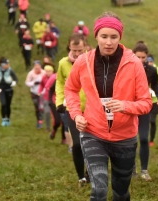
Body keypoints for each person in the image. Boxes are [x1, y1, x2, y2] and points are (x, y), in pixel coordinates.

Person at [64, 11, 152, 200]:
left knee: (121, 193)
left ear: (120, 37)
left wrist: (125, 106)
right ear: (96, 36)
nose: (108, 42)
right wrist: (76, 114)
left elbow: (146, 103)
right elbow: (70, 89)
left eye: (114, 37)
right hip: (93, 133)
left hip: (125, 137)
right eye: (104, 36)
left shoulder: (134, 63)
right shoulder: (83, 62)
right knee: (99, 189)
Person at [55, 33, 88, 187]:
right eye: (74, 50)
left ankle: (91, 171)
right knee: (77, 144)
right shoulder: (63, 63)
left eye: (80, 50)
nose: (76, 53)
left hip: (91, 109)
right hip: (72, 109)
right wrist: (60, 101)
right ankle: (81, 176)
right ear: (69, 47)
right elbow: (60, 82)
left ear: (85, 47)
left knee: (91, 143)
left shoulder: (92, 60)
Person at [132, 41, 158, 181]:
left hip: (144, 107)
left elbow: (156, 85)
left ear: (147, 57)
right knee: (130, 140)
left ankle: (144, 170)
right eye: (137, 57)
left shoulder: (152, 70)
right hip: (129, 108)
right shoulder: (127, 68)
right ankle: (131, 168)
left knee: (144, 139)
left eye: (143, 58)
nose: (140, 60)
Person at [0, 57, 18, 126]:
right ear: (3, 65)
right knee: (3, 104)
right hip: (0, 89)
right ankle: (3, 119)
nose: (8, 65)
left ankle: (8, 119)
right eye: (7, 64)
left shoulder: (10, 70)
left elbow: (15, 78)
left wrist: (14, 82)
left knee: (8, 105)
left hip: (9, 89)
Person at [146, 54, 158, 147]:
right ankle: (143, 139)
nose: (149, 63)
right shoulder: (143, 69)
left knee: (152, 121)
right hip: (145, 100)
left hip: (154, 100)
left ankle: (151, 140)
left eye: (151, 61)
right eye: (148, 61)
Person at [25, 60, 45, 128]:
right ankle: (39, 121)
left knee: (41, 107)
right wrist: (33, 83)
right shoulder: (31, 73)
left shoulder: (44, 73)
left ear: (40, 66)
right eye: (35, 67)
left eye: (38, 67)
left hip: (42, 92)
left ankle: (41, 120)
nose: (37, 69)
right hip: (34, 92)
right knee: (37, 106)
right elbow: (27, 83)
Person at [38, 64, 55, 132]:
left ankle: (56, 126)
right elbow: (41, 85)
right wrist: (39, 91)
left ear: (52, 71)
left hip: (54, 98)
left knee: (55, 114)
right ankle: (48, 127)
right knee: (47, 112)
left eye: (49, 71)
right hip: (46, 98)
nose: (48, 73)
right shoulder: (43, 78)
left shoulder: (55, 78)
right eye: (46, 71)